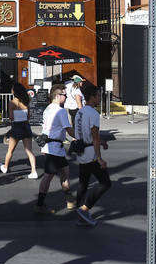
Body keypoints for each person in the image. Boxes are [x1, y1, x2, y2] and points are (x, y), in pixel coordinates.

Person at [73, 84, 111, 226]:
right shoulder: (93, 114)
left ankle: (80, 214)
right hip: (90, 154)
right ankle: (84, 209)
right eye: (98, 96)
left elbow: (83, 134)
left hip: (81, 151)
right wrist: (99, 158)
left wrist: (102, 142)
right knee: (105, 183)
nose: (100, 98)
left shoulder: (80, 112)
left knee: (83, 183)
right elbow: (94, 137)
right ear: (92, 97)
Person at [36, 85, 75, 213]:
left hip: (50, 146)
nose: (66, 97)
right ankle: (40, 205)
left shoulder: (48, 108)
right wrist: (81, 137)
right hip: (54, 148)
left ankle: (70, 200)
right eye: (65, 95)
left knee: (64, 171)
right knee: (49, 176)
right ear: (58, 96)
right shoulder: (60, 111)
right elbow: (68, 129)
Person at [0, 82, 38, 178]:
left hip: (16, 127)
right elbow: (28, 116)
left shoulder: (12, 102)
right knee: (29, 150)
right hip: (26, 126)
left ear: (14, 91)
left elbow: (11, 117)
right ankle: (34, 171)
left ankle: (5, 167)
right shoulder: (26, 101)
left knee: (10, 150)